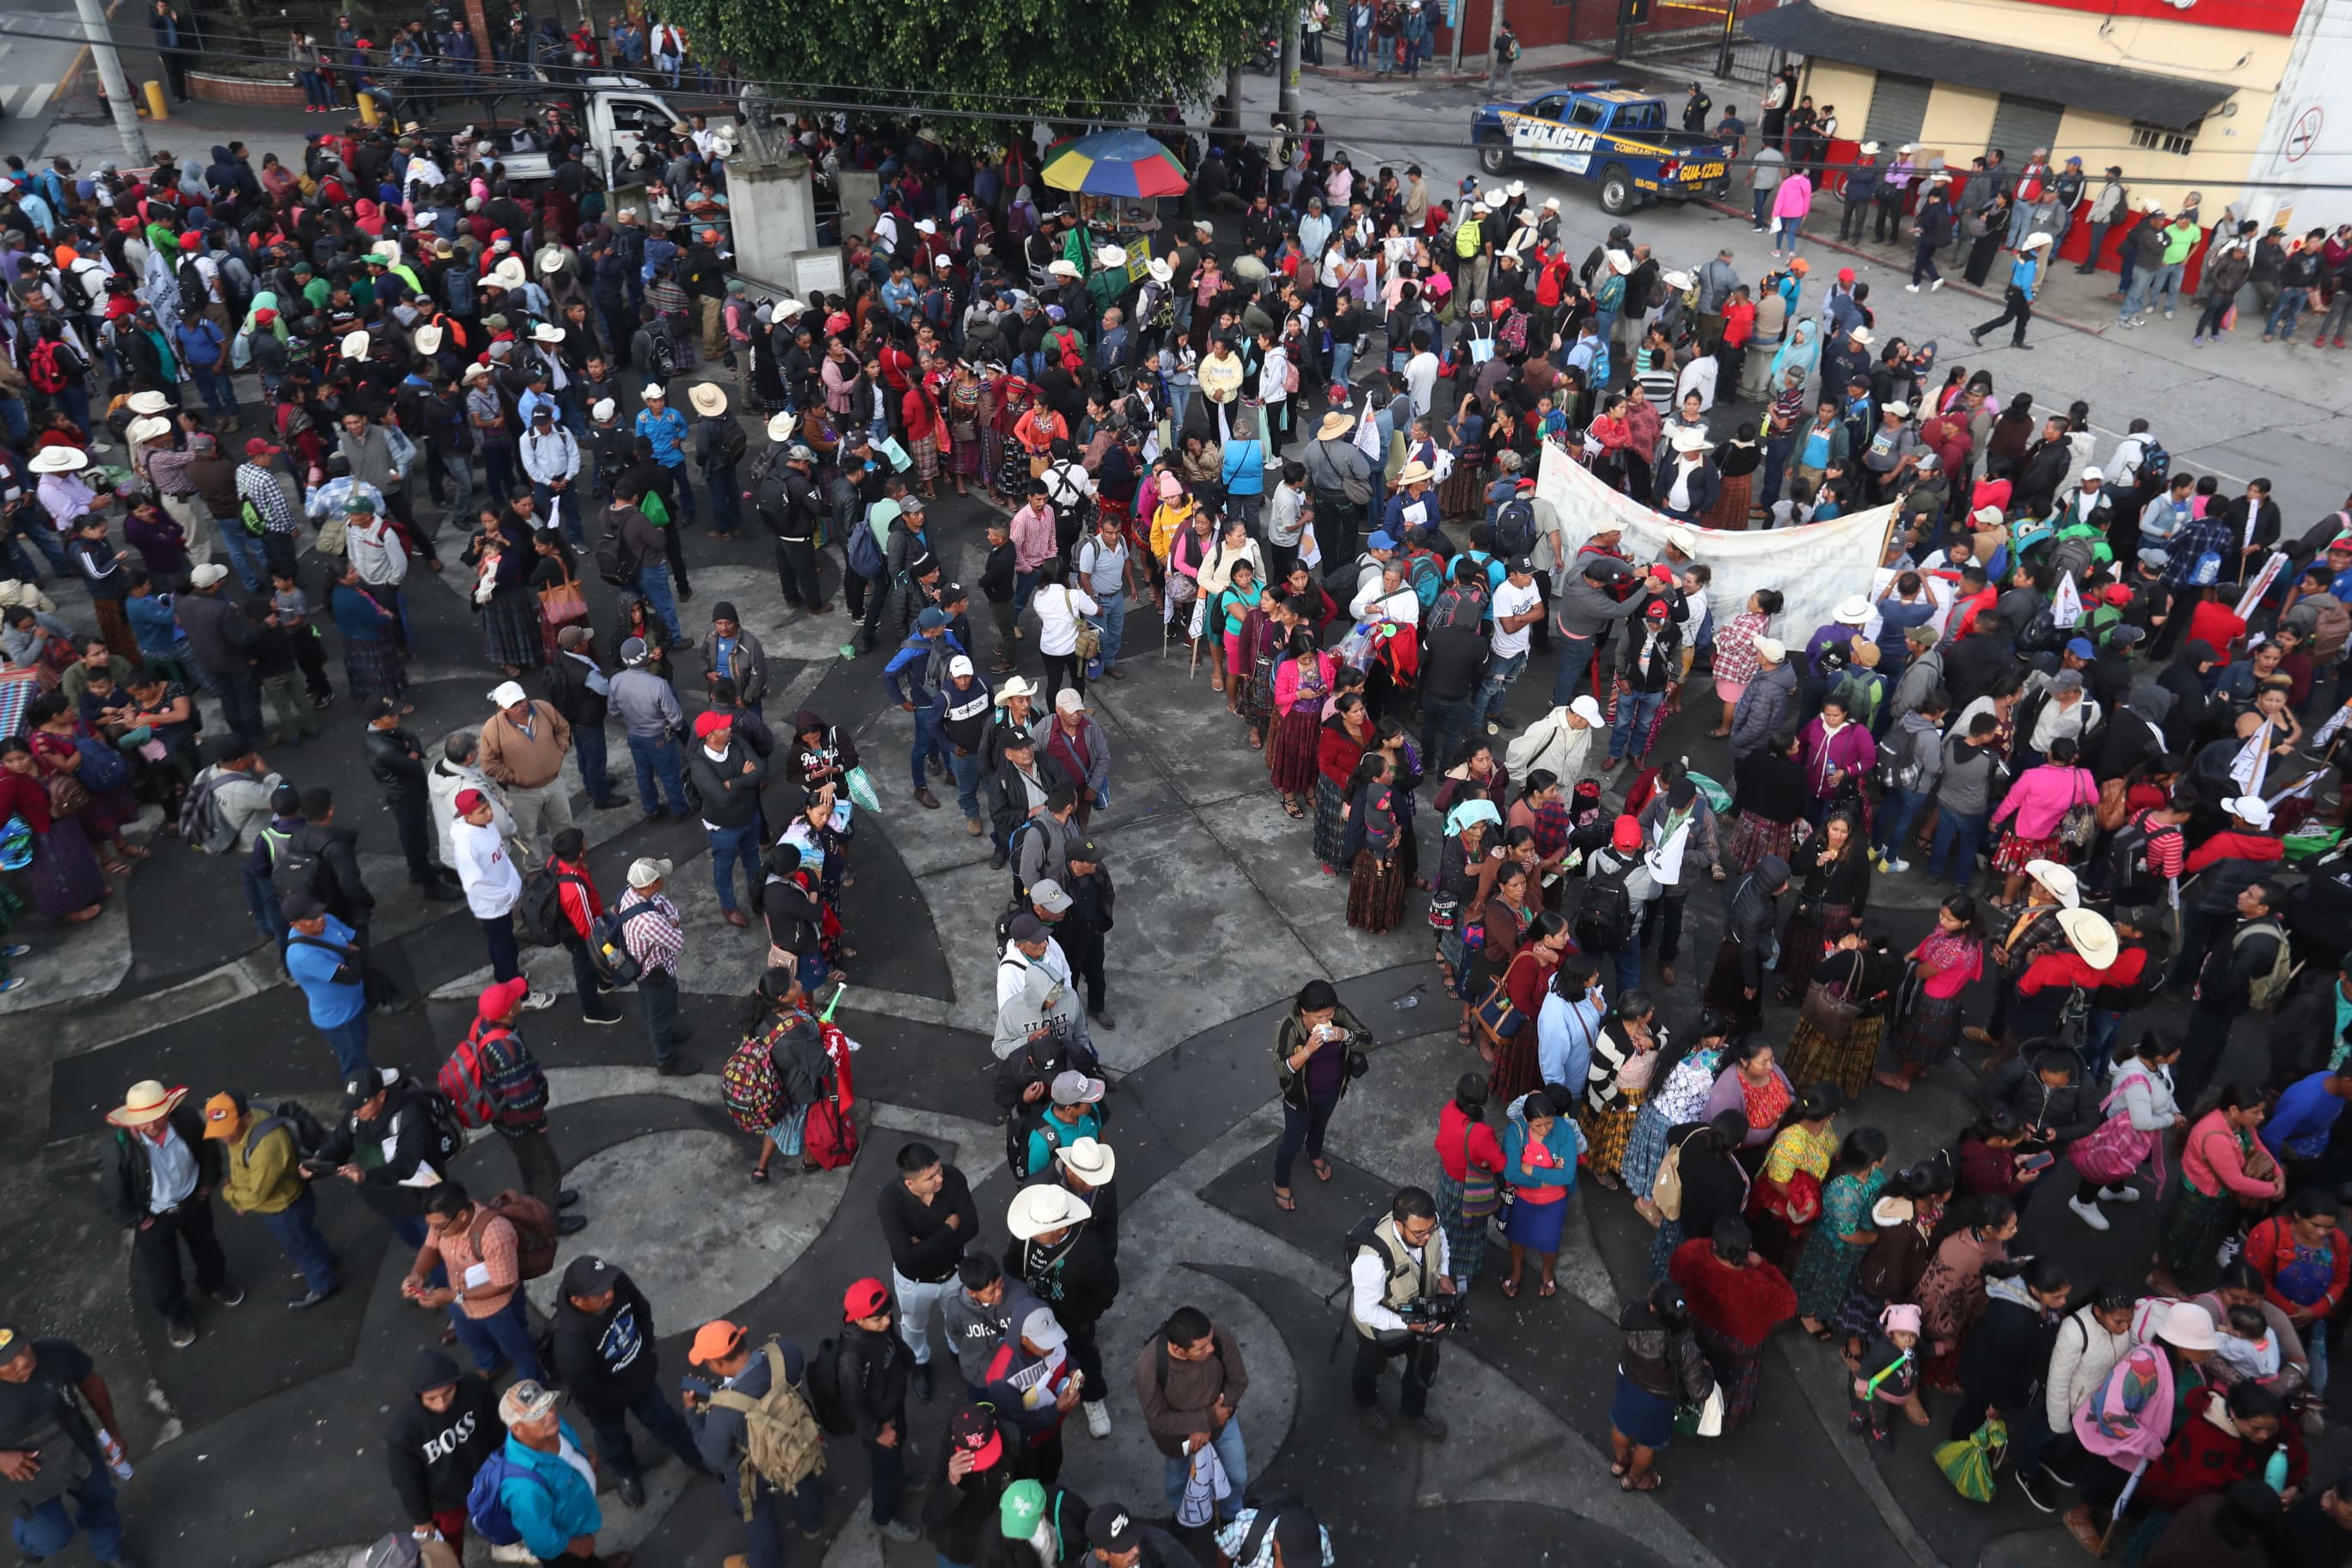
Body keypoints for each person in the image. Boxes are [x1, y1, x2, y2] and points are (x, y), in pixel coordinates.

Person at [548, 1256, 708, 1509]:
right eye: (599, 1293)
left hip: (639, 1377)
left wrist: (648, 1348)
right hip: (605, 1401)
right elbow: (587, 1391)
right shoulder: (569, 1342)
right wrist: (623, 1394)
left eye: (608, 1286)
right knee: (611, 1438)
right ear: (577, 1301)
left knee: (665, 1420)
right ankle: (625, 1473)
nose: (609, 1293)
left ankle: (698, 1456)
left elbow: (641, 1308)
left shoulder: (616, 1283)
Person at [106, 1079, 239, 1350]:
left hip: (193, 1202)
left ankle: (213, 1283)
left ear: (169, 1110)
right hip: (153, 1217)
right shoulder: (118, 1149)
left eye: (158, 1117)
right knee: (163, 1273)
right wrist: (138, 1219)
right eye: (145, 1121)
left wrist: (206, 1185)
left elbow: (208, 1151)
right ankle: (176, 1316)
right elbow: (112, 1192)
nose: (153, 1126)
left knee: (208, 1249)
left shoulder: (188, 1120)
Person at [683, 1320, 826, 1559]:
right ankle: (812, 1525)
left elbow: (715, 1458)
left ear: (717, 1363)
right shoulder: (784, 1352)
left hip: (756, 1469)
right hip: (795, 1440)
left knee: (757, 1513)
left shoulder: (723, 1413)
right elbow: (797, 1367)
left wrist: (692, 1413)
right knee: (802, 1475)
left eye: (707, 1362)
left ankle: (764, 1562)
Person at [0, 1327, 136, 1568]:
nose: (22, 1360)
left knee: (100, 1499)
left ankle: (110, 1553)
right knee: (50, 1537)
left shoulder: (56, 1352)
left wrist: (112, 1431)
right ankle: (32, 1549)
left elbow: (91, 1383)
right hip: (25, 1468)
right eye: (7, 1360)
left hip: (76, 1446)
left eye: (22, 1347)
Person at [462, 976, 583, 1230]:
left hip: (504, 1120)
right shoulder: (506, 1051)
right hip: (519, 1121)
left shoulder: (483, 1025)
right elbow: (521, 1097)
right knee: (547, 1169)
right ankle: (548, 1221)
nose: (520, 999)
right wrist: (538, 1122)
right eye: (516, 998)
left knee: (528, 1163)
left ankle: (537, 1202)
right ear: (508, 1012)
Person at [202, 1088, 335, 1309]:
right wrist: (241, 1198)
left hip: (285, 1208)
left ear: (246, 1118)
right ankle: (324, 1260)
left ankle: (323, 1285)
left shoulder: (267, 1146)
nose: (225, 1138)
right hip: (286, 1201)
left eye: (229, 1130)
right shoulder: (248, 1120)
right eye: (220, 1131)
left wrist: (232, 1195)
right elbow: (243, 1165)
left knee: (300, 1245)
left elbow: (257, 1194)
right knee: (305, 1238)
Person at [402, 1181, 545, 1383]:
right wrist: (418, 1273)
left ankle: (534, 1383)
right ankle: (491, 1364)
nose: (435, 1231)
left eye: (438, 1227)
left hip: (499, 1307)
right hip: (460, 1300)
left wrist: (454, 1296)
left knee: (517, 1348)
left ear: (461, 1216)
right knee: (471, 1337)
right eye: (430, 1226)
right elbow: (431, 1247)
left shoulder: (495, 1235)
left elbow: (503, 1283)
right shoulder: (443, 1220)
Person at [487, 1379, 634, 1568]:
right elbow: (542, 1541)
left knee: (588, 1560)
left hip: (578, 1520)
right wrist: (576, 1546)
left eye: (548, 1404)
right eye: (537, 1414)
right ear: (517, 1428)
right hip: (565, 1548)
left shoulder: (551, 1426)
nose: (550, 1414)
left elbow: (572, 1447)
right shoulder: (522, 1487)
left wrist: (588, 1461)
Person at [1669, 1216, 1797, 1431]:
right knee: (1731, 1381)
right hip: (1739, 1344)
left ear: (1715, 1244)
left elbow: (1675, 1270)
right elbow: (1790, 1304)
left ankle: (1687, 1401)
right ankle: (1721, 1417)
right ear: (1748, 1249)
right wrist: (1764, 1265)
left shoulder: (1694, 1252)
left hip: (1699, 1325)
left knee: (1694, 1366)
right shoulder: (1759, 1286)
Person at [1348, 1186, 1455, 1440]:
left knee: (1423, 1367)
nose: (1427, 1237)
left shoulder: (1430, 1225)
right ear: (1399, 1224)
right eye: (1419, 1233)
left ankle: (1413, 1411)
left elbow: (1443, 1245)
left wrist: (1444, 1274)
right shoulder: (1372, 1258)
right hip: (1380, 1327)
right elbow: (1365, 1311)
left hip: (1423, 1318)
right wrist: (1407, 1324)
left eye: (1430, 1229)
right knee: (1369, 1366)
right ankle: (1366, 1403)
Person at [879, 1141, 979, 1406]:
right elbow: (906, 1258)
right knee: (913, 1325)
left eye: (938, 1170)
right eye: (931, 1177)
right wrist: (948, 1230)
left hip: (955, 1271)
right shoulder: (890, 1200)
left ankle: (957, 1349)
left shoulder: (953, 1178)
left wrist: (923, 1245)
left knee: (957, 1316)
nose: (940, 1178)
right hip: (915, 1282)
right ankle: (919, 1362)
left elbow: (971, 1227)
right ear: (911, 1184)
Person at [1134, 1306, 1249, 1526]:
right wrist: (1207, 1419)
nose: (1211, 1349)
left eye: (1211, 1341)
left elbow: (1238, 1381)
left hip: (1223, 1423)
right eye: (1202, 1348)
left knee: (1238, 1477)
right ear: (1178, 1349)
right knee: (1179, 1482)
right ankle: (1184, 1516)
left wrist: (1216, 1417)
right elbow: (1158, 1419)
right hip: (1178, 1438)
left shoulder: (1220, 1335)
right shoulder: (1148, 1367)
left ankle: (1232, 1515)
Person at [386, 1350, 502, 1559]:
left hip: (487, 1480)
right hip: (445, 1501)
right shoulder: (404, 1431)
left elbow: (496, 1427)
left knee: (499, 1519)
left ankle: (503, 1544)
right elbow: (406, 1481)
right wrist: (421, 1518)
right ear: (418, 1395)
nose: (442, 1403)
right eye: (432, 1398)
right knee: (448, 1547)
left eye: (448, 1392)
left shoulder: (475, 1387)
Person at [835, 1277, 923, 1543]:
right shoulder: (851, 1358)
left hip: (893, 1406)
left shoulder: (880, 1325)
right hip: (879, 1420)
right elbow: (853, 1402)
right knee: (884, 1468)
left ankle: (900, 1479)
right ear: (858, 1320)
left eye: (887, 1314)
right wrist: (877, 1433)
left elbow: (893, 1341)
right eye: (878, 1319)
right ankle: (883, 1517)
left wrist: (908, 1361)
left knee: (897, 1449)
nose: (886, 1321)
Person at [1271, 978, 1371, 1214]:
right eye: (1319, 1017)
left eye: (1329, 1014)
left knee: (1319, 1127)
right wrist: (1307, 1050)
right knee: (1293, 1140)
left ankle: (1314, 1153)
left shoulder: (1337, 1014)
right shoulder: (1289, 1027)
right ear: (1305, 1011)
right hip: (1300, 1098)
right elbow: (1281, 1068)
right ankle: (1280, 1180)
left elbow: (1366, 1040)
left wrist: (1344, 1035)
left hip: (1331, 1090)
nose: (1326, 1020)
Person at [1611, 1279, 1716, 1491]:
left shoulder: (1632, 1315)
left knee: (1621, 1426)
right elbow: (1699, 1391)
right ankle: (1633, 1479)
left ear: (1652, 1308)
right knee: (1646, 1444)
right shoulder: (1686, 1347)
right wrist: (1709, 1372)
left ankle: (1619, 1463)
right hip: (1658, 1402)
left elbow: (1639, 1307)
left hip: (1628, 1384)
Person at [281, 890, 375, 1076]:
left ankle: (370, 1075)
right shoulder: (303, 955)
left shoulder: (328, 920)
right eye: (311, 918)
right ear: (295, 925)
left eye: (319, 913)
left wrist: (352, 952)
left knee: (361, 1046)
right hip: (339, 1018)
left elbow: (359, 941)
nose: (320, 919)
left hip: (355, 1005)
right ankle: (363, 1092)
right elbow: (351, 977)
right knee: (353, 1064)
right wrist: (353, 952)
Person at [618, 856, 698, 1075]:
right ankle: (666, 1060)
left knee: (650, 1007)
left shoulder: (630, 893)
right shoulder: (650, 921)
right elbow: (677, 941)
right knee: (661, 1014)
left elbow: (665, 904)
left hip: (640, 969)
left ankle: (665, 1033)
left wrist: (670, 919)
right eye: (661, 877)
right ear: (652, 884)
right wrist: (672, 922)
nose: (664, 878)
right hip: (656, 974)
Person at [478, 677, 576, 851]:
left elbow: (562, 728)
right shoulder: (493, 728)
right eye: (513, 705)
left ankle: (569, 859)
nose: (520, 707)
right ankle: (535, 868)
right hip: (522, 793)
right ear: (501, 708)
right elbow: (489, 764)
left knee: (564, 826)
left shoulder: (543, 708)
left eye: (521, 701)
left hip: (555, 783)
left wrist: (560, 749)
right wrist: (514, 778)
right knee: (527, 834)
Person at [1501, 1087, 1578, 1299]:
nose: (1545, 1129)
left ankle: (1547, 1270)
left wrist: (1532, 1170)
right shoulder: (1515, 1131)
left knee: (1549, 1242)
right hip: (1522, 1199)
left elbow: (1567, 1176)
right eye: (1538, 1125)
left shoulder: (1563, 1131)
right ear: (1526, 1119)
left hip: (1553, 1202)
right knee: (1516, 1237)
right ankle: (1517, 1270)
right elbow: (1511, 1173)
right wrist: (1548, 1177)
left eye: (1549, 1123)